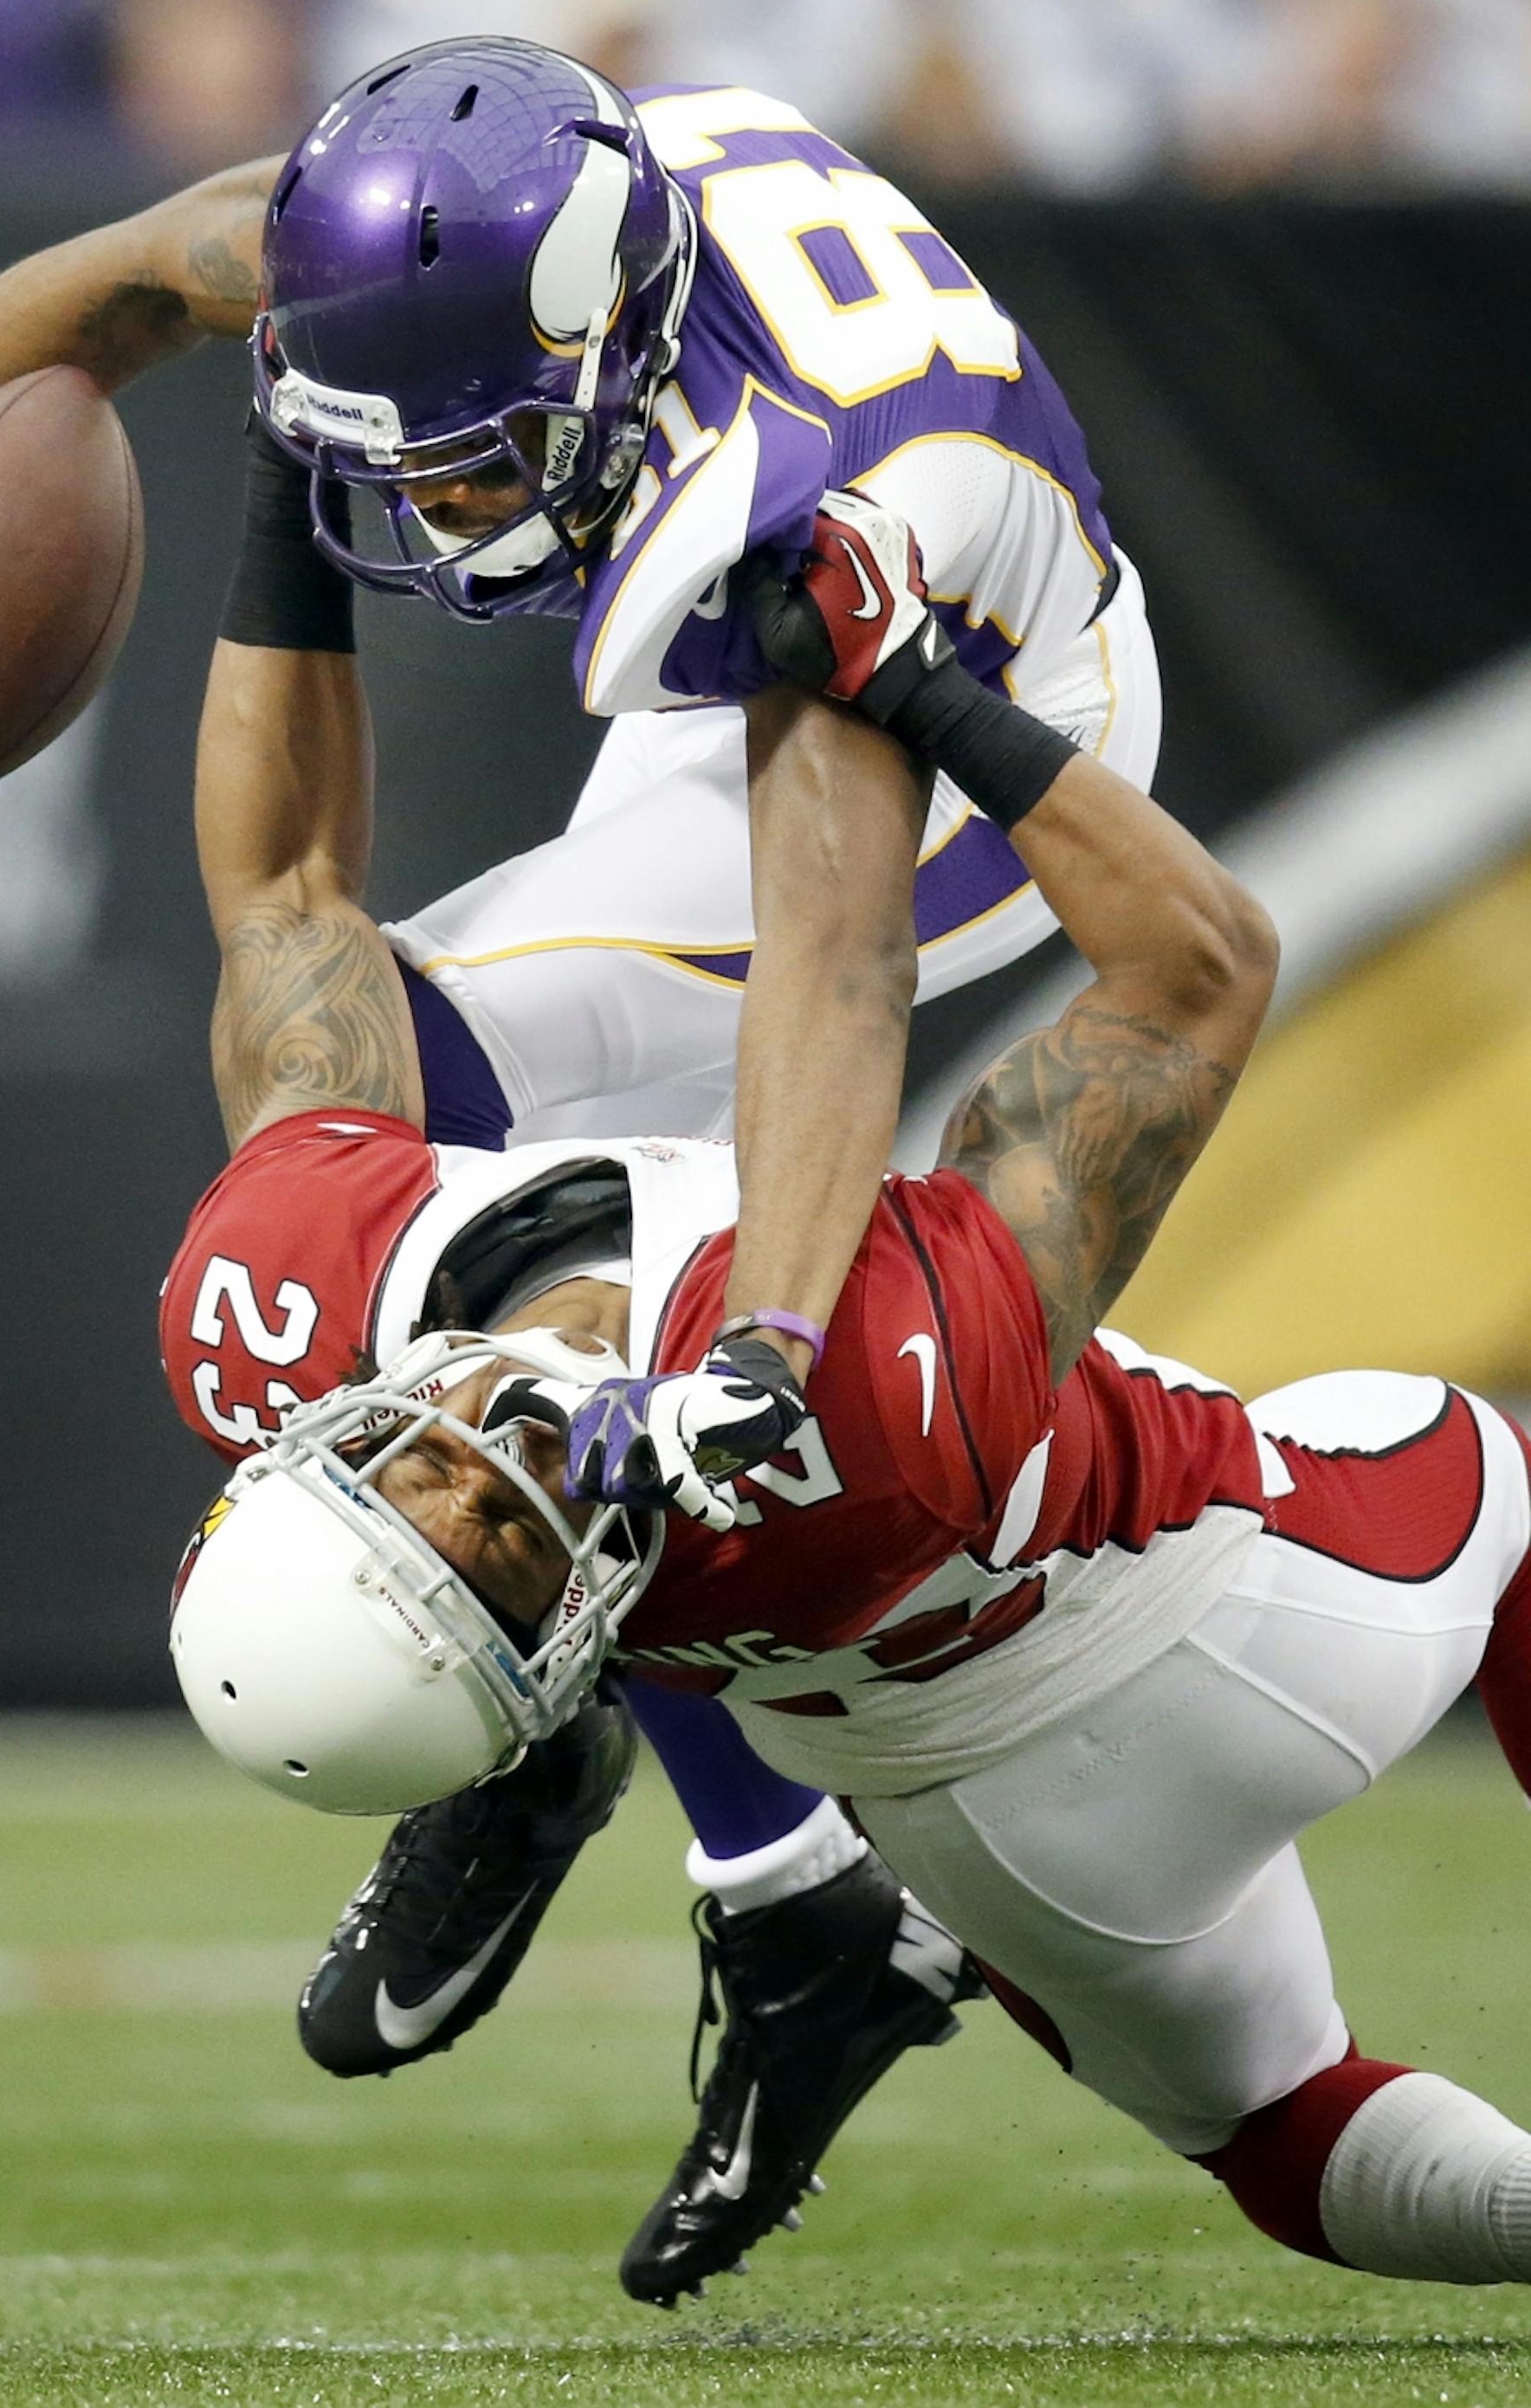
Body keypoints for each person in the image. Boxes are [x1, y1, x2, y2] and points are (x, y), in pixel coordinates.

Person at [0, 33, 1149, 2292]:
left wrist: (770, 1337)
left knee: (430, 1179)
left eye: (478, 465)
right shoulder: (438, 252)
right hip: (719, 707)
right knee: (400, 1157)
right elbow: (113, 277)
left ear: (596, 357)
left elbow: (834, 966)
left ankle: (732, 1862)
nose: (435, 513)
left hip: (995, 710)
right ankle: (776, 1889)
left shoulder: (799, 492)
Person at [165, 496, 1531, 2303]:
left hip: (991, 1848)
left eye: (416, 1464)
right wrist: (927, 690)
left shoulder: (271, 1296)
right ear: (572, 1650)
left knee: (1275, 2129)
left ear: (313, 1433)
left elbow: (284, 896)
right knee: (1507, 1487)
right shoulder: (854, 1420)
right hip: (1227, 1615)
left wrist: (291, 501)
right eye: (502, 1544)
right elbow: (1200, 965)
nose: (489, 1462)